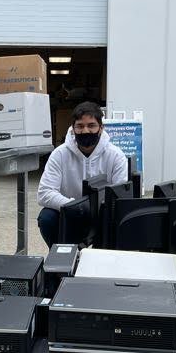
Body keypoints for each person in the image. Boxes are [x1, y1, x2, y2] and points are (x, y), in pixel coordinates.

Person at [37, 101, 128, 247]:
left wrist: (97, 211)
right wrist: (76, 207)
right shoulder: (59, 154)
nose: (85, 131)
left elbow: (120, 198)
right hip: (70, 213)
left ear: (101, 128)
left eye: (91, 125)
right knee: (47, 217)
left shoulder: (116, 156)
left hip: (102, 217)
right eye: (80, 126)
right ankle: (61, 255)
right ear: (73, 129)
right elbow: (44, 193)